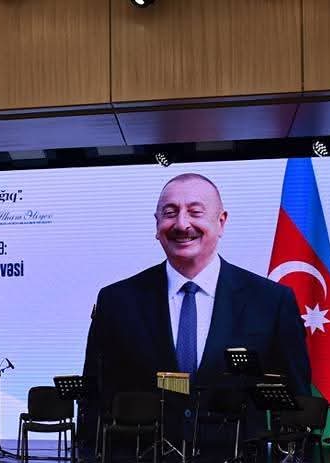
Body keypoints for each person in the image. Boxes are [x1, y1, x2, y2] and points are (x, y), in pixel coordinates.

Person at [83, 173, 310, 437]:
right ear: (157, 224)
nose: (182, 224)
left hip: (239, 460)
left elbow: (295, 399)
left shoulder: (271, 301)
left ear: (221, 222)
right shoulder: (117, 301)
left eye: (195, 212)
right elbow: (95, 395)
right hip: (139, 458)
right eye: (170, 213)